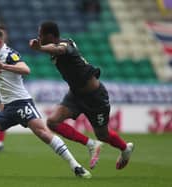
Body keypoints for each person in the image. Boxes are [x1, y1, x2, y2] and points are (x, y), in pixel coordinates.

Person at [0, 27, 92, 178]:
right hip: (8, 109)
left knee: (43, 133)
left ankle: (76, 167)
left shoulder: (9, 54)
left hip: (22, 103)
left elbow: (25, 69)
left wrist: (3, 66)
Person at [29, 21, 134, 170]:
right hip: (75, 95)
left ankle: (125, 149)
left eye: (41, 35)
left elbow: (59, 50)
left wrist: (39, 48)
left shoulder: (64, 45)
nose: (38, 37)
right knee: (52, 122)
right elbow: (55, 50)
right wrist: (42, 47)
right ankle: (91, 145)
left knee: (103, 135)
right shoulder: (57, 47)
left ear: (50, 36)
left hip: (95, 97)